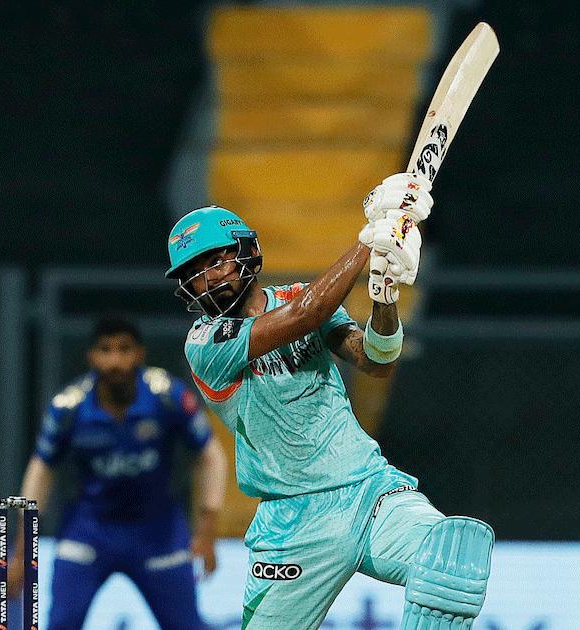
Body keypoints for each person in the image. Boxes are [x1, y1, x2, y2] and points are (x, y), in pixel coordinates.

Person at [164, 173, 494, 629]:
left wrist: (384, 295)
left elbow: (375, 360)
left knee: (449, 558)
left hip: (369, 489)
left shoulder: (298, 296)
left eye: (217, 260)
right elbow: (306, 315)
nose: (209, 278)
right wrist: (371, 238)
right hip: (293, 520)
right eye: (194, 274)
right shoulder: (205, 343)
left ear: (247, 251)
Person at [7, 316, 226, 630]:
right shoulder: (68, 407)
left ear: (140, 354)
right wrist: (21, 553)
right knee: (61, 624)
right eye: (105, 350)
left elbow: (210, 457)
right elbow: (41, 471)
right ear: (91, 357)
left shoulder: (168, 396)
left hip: (158, 532)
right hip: (89, 530)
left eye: (124, 349)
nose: (115, 361)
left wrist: (207, 531)